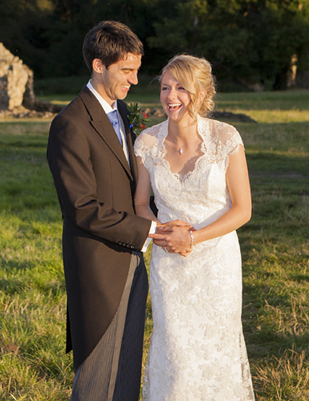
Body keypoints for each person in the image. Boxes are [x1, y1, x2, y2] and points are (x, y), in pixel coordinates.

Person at [47, 21, 163, 401]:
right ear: (99, 65)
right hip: (98, 268)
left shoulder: (123, 112)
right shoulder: (70, 125)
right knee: (98, 380)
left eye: (136, 70)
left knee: (127, 370)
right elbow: (81, 208)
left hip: (132, 260)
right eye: (125, 71)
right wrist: (149, 231)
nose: (133, 79)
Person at [135, 54, 256, 400]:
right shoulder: (147, 143)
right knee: (175, 353)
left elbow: (243, 208)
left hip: (217, 265)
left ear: (201, 94)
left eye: (181, 89)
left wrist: (194, 236)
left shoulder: (225, 138)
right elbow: (140, 204)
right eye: (165, 87)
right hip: (169, 265)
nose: (171, 97)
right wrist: (160, 232)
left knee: (216, 353)